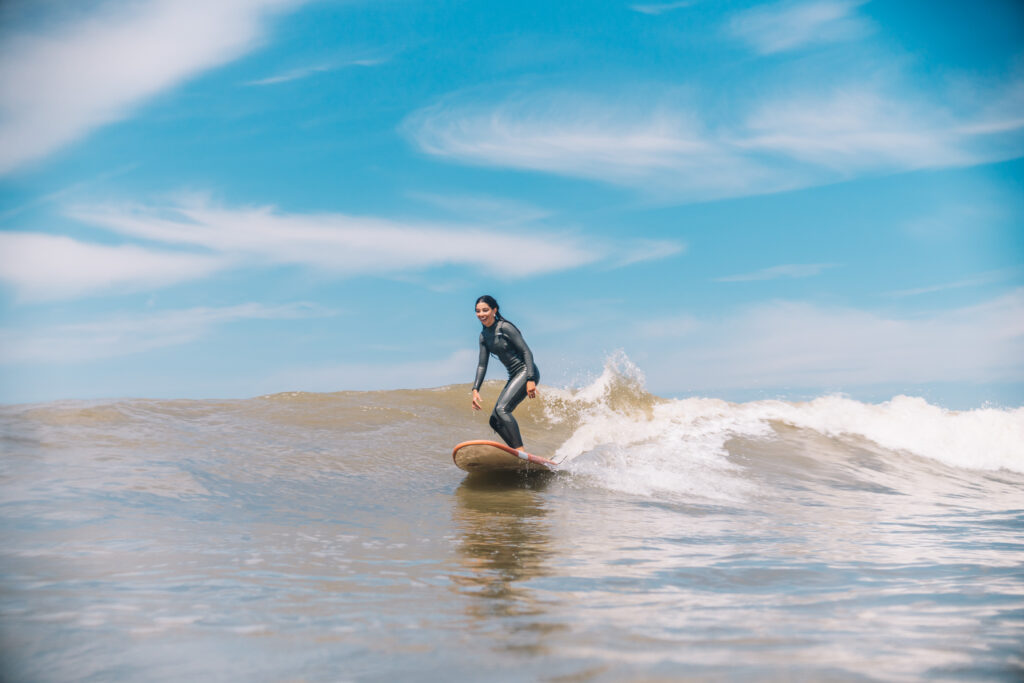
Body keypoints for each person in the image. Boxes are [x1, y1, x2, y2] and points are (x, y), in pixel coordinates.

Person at [471, 295, 539, 450]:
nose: (481, 314)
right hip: (514, 375)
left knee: (502, 410)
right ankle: (517, 452)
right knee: (494, 420)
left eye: (485, 310)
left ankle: (520, 451)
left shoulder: (505, 328)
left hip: (525, 371)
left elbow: (527, 352)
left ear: (494, 310)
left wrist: (530, 379)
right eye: (478, 311)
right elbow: (482, 365)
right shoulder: (483, 337)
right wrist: (475, 389)